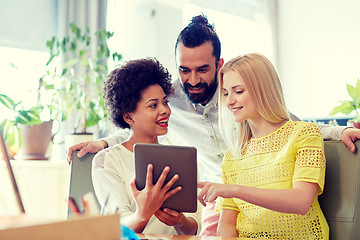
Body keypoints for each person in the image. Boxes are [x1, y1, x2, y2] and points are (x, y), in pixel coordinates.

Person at [68, 14, 360, 236]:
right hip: (214, 199)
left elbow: (287, 123)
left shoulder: (238, 91)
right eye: (184, 69)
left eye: (202, 70)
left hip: (235, 194)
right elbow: (138, 120)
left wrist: (341, 130)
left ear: (218, 65)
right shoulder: (170, 98)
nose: (192, 80)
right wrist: (104, 142)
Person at [198, 53, 329, 239]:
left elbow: (301, 201)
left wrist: (234, 190)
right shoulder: (232, 157)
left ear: (263, 89)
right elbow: (227, 224)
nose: (229, 101)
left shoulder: (304, 134)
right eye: (226, 93)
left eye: (238, 91)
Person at [92, 58, 200, 235]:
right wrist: (142, 214)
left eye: (165, 102)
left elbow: (195, 227)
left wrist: (180, 221)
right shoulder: (107, 161)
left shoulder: (182, 158)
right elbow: (117, 230)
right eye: (153, 105)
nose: (165, 110)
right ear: (128, 117)